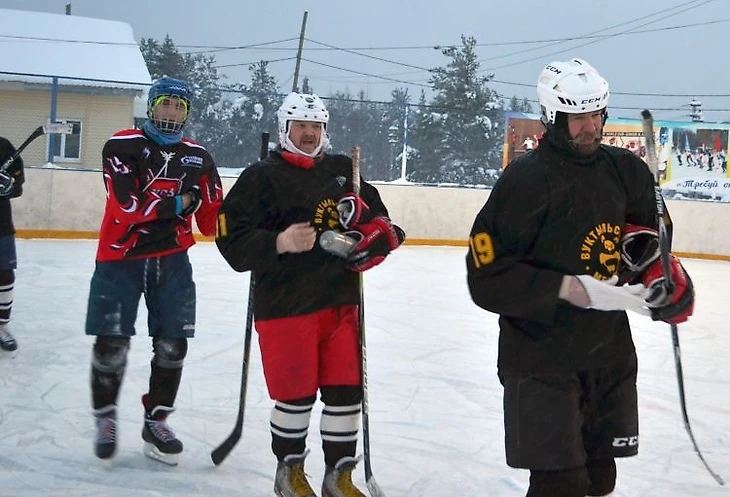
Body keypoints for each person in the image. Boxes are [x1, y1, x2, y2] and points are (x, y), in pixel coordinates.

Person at [466, 58, 695, 497]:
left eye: (597, 114)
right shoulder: (524, 181)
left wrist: (663, 274)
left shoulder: (626, 171)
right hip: (538, 359)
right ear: (553, 118)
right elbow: (484, 271)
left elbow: (650, 238)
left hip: (605, 353)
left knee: (600, 479)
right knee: (561, 484)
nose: (591, 127)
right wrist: (561, 288)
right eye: (578, 118)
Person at [215, 91, 405, 497]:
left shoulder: (342, 171)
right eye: (301, 126)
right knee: (296, 396)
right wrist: (278, 242)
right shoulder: (260, 177)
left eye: (316, 126)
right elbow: (229, 240)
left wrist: (376, 236)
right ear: (285, 128)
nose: (309, 134)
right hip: (285, 307)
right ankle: (290, 473)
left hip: (340, 305)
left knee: (345, 392)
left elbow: (382, 222)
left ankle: (340, 476)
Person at [84, 76, 223, 465]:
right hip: (119, 258)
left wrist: (256, 206)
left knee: (172, 343)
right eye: (165, 103)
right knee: (112, 342)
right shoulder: (121, 145)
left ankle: (156, 419)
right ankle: (106, 416)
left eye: (180, 106)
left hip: (172, 261)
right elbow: (127, 207)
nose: (171, 112)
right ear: (151, 105)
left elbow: (213, 220)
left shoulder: (200, 158)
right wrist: (182, 202)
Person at [0, 136, 25, 353]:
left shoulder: (3, 146)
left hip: (1, 224)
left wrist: (9, 185)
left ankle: (1, 326)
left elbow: (18, 181)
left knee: (5, 274)